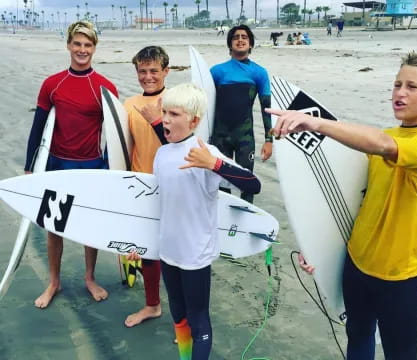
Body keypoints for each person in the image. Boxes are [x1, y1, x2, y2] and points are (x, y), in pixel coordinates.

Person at [268, 52, 417, 360]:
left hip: (397, 277)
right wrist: (316, 244)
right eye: (397, 84)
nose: (399, 93)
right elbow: (353, 195)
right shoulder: (388, 135)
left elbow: (381, 145)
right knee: (358, 338)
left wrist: (315, 122)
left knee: (401, 354)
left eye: (412, 87)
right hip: (355, 263)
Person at [128, 83, 261, 359]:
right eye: (164, 112)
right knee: (178, 314)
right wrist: (139, 242)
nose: (165, 119)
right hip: (168, 250)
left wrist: (214, 164)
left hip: (195, 254)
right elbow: (158, 203)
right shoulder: (163, 153)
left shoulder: (206, 154)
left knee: (198, 318)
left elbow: (254, 184)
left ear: (194, 121)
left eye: (174, 114)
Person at [24, 21, 117, 308]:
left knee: (90, 227)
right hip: (58, 165)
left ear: (94, 48)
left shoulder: (105, 87)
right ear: (68, 45)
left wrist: (116, 172)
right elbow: (38, 127)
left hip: (92, 166)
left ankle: (90, 278)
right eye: (77, 43)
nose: (82, 49)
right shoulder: (53, 84)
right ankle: (54, 281)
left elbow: (116, 134)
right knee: (55, 227)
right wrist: (30, 167)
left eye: (87, 45)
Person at [122, 45, 170, 328]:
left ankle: (186, 317)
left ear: (166, 71)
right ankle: (152, 305)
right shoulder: (128, 105)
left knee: (176, 253)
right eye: (143, 71)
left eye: (154, 70)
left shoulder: (178, 101)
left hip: (173, 186)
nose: (148, 76)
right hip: (141, 184)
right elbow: (124, 149)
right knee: (149, 253)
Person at [210, 24, 273, 203]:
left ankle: (246, 220)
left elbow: (266, 107)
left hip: (244, 136)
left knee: (247, 183)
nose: (240, 40)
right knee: (221, 185)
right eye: (235, 37)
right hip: (220, 137)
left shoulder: (259, 73)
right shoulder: (217, 71)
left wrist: (269, 140)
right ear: (230, 44)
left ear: (251, 44)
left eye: (244, 37)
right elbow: (205, 105)